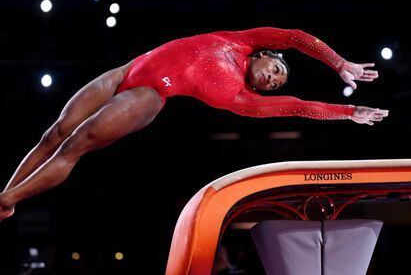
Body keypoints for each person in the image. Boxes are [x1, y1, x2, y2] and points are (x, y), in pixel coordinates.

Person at [0, 27, 388, 221]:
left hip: (149, 95)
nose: (273, 80)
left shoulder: (240, 98)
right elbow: (294, 37)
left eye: (276, 84)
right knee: (54, 133)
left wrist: (348, 112)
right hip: (126, 71)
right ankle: (8, 197)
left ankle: (8, 200)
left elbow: (299, 108)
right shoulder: (240, 40)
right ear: (266, 55)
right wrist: (339, 62)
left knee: (76, 145)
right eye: (276, 70)